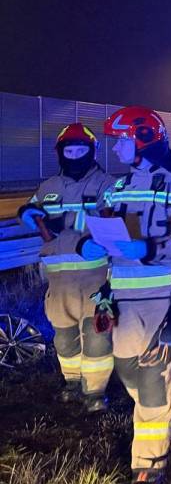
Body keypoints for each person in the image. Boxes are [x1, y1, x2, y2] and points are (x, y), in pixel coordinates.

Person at [78, 106, 171, 484]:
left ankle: (148, 467)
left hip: (166, 298)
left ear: (145, 140)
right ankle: (155, 411)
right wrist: (88, 244)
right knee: (127, 371)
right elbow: (99, 227)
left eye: (121, 140)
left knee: (153, 380)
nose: (115, 148)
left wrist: (150, 248)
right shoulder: (117, 187)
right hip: (123, 299)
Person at [17, 123, 114, 412]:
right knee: (63, 338)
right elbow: (31, 210)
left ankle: (95, 392)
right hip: (58, 280)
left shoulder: (107, 185)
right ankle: (72, 383)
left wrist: (70, 234)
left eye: (80, 150)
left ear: (91, 151)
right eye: (68, 151)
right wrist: (27, 213)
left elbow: (112, 225)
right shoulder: (49, 186)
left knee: (97, 337)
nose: (74, 156)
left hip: (94, 276)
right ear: (60, 153)